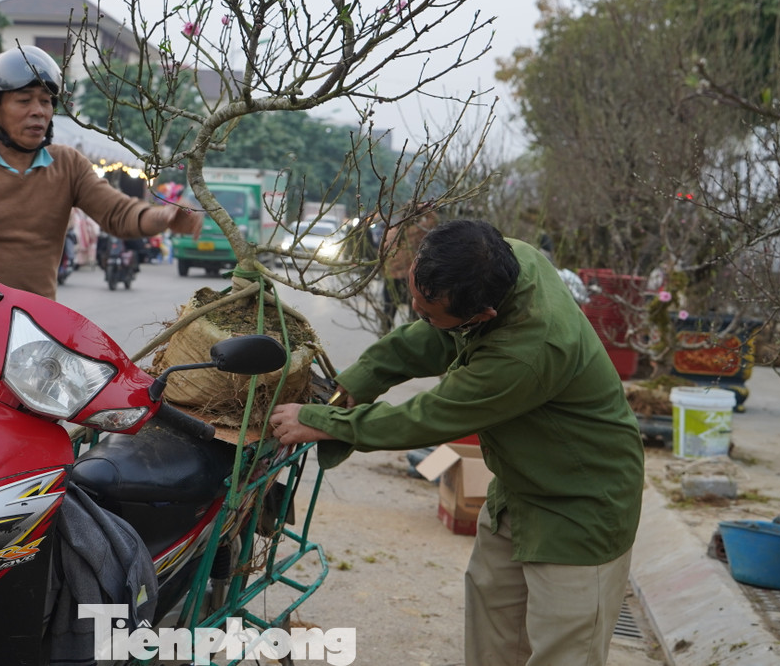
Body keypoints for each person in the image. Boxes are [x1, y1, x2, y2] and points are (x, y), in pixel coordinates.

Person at [270, 219, 643, 666]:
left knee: (564, 654)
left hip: (580, 508)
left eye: (428, 310)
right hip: (518, 493)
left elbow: (427, 417)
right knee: (492, 643)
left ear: (482, 315)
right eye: (415, 294)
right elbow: (432, 335)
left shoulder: (527, 354)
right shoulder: (509, 261)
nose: (414, 308)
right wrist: (356, 383)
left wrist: (323, 420)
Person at [0, 45, 204, 388]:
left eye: (46, 101)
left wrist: (164, 216)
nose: (39, 111)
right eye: (24, 101)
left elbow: (117, 213)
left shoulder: (67, 164)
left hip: (39, 339)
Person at [379, 202, 437, 331]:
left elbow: (381, 255)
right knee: (413, 317)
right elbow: (434, 220)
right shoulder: (417, 232)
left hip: (390, 278)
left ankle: (383, 340)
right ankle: (410, 340)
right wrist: (423, 208)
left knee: (388, 313)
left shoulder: (390, 232)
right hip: (408, 279)